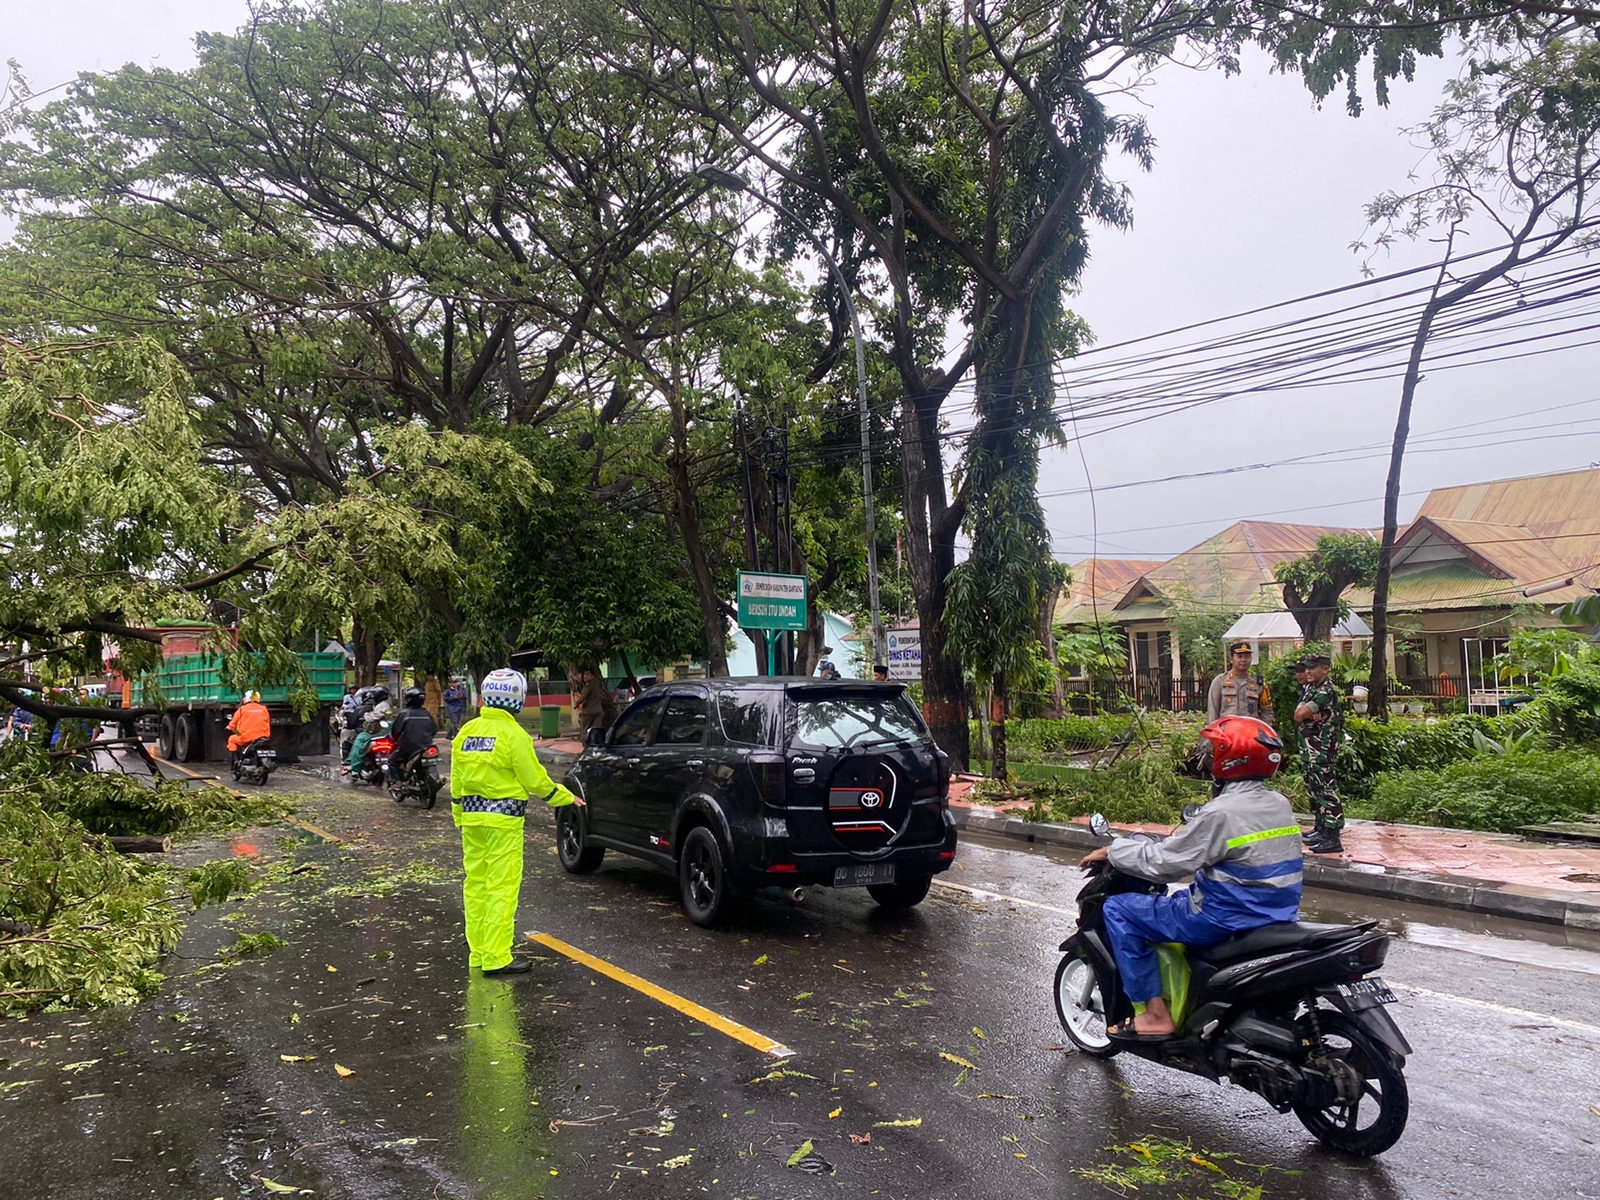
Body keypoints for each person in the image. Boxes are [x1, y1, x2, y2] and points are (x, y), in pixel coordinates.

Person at [1078, 715, 1302, 1038]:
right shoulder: (1279, 804)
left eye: (1215, 751)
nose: (1209, 758)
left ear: (1232, 757)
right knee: (1181, 899)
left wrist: (1114, 851)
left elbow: (1166, 864)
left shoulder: (1221, 812)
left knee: (1119, 910)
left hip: (1224, 919)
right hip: (1276, 916)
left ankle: (1156, 1016)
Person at [451, 667, 582, 976]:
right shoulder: (514, 736)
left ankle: (479, 954)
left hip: (472, 822)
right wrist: (564, 797)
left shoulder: (466, 733)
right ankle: (497, 958)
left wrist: (459, 816)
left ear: (486, 698)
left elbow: (457, 783)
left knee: (476, 887)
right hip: (503, 824)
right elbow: (534, 780)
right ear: (518, 701)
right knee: (501, 888)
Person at [1294, 653, 1346, 855]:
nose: (1308, 671)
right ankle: (1321, 828)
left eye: (1313, 667)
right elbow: (1300, 713)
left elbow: (1299, 714)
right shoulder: (1313, 689)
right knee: (1314, 788)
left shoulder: (1325, 691)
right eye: (1306, 667)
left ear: (1325, 669)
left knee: (1326, 789)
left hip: (1322, 749)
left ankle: (1333, 835)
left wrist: (1307, 714)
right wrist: (1307, 714)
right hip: (1311, 749)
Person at [1206, 641, 1272, 725]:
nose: (1243, 660)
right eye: (1239, 656)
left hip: (1250, 732)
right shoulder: (1219, 682)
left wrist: (1265, 731)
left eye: (1247, 657)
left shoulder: (1258, 684)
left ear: (1251, 659)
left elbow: (1267, 711)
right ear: (1231, 659)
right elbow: (1213, 712)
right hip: (1227, 732)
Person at [388, 686, 438, 790]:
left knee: (392, 760)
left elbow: (395, 732)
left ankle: (398, 782)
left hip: (408, 748)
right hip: (426, 747)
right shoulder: (427, 714)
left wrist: (394, 740)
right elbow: (434, 729)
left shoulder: (404, 714)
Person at [226, 690, 272, 768]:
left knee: (231, 739)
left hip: (246, 737)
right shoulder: (264, 709)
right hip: (263, 737)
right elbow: (267, 721)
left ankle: (236, 760)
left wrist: (228, 727)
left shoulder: (242, 709)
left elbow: (233, 723)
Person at [343, 712, 383, 776]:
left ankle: (353, 767)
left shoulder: (363, 737)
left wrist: (354, 767)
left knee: (356, 747)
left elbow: (352, 723)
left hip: (372, 736)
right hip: (383, 735)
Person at [574, 667, 605, 738]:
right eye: (584, 674)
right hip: (599, 710)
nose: (585, 676)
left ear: (592, 675)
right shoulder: (597, 683)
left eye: (588, 674)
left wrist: (577, 704)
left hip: (588, 711)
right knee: (596, 729)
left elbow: (583, 697)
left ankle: (585, 744)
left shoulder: (588, 686)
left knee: (584, 730)